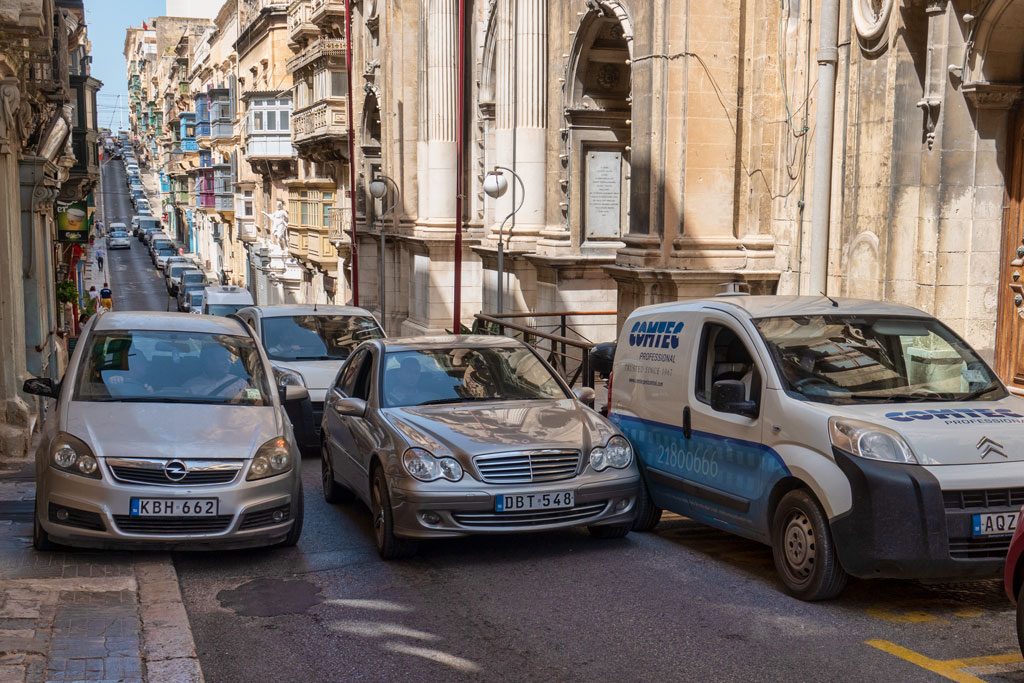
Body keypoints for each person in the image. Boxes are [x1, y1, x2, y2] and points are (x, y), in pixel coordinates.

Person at [184, 344, 249, 399]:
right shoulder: (190, 386)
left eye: (229, 358)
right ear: (208, 361)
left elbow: (255, 398)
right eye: (222, 359)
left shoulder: (240, 383)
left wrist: (238, 397)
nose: (228, 363)